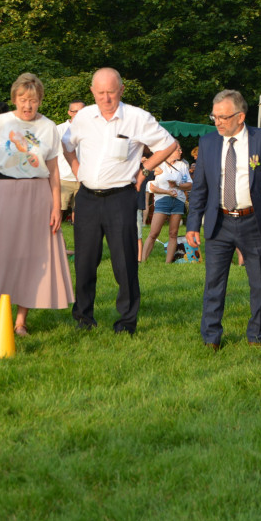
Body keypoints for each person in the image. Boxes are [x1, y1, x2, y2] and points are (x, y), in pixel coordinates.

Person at [0, 73, 74, 336]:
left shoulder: (48, 127)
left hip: (38, 195)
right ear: (14, 99)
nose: (27, 105)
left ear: (40, 100)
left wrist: (56, 206)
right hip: (5, 192)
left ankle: (20, 321)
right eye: (22, 99)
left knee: (31, 257)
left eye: (33, 100)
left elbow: (54, 170)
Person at [63, 67, 177, 334]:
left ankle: (126, 321)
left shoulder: (138, 118)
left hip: (121, 198)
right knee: (84, 261)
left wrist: (144, 171)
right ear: (92, 92)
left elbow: (168, 144)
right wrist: (78, 170)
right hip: (88, 198)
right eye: (100, 92)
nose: (106, 98)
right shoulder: (83, 118)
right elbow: (66, 146)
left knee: (124, 262)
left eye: (111, 92)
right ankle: (83, 318)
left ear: (121, 90)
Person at [186, 90, 261, 349]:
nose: (217, 122)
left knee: (260, 282)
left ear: (240, 116)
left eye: (223, 117)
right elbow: (199, 188)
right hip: (219, 221)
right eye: (214, 116)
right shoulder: (207, 143)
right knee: (214, 283)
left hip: (254, 220)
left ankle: (257, 336)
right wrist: (193, 224)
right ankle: (211, 338)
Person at [141, 143, 192, 263]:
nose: (180, 152)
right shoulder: (158, 164)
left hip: (178, 200)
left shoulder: (182, 165)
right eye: (178, 150)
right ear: (170, 151)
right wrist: (167, 192)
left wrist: (177, 185)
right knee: (154, 233)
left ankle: (168, 263)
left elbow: (190, 184)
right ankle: (143, 261)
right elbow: (151, 187)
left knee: (173, 233)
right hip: (162, 200)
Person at [57, 100, 85, 223]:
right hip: (63, 177)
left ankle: (80, 240)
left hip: (83, 177)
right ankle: (54, 240)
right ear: (69, 112)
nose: (79, 115)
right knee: (58, 210)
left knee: (81, 213)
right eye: (75, 112)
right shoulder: (59, 129)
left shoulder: (91, 130)